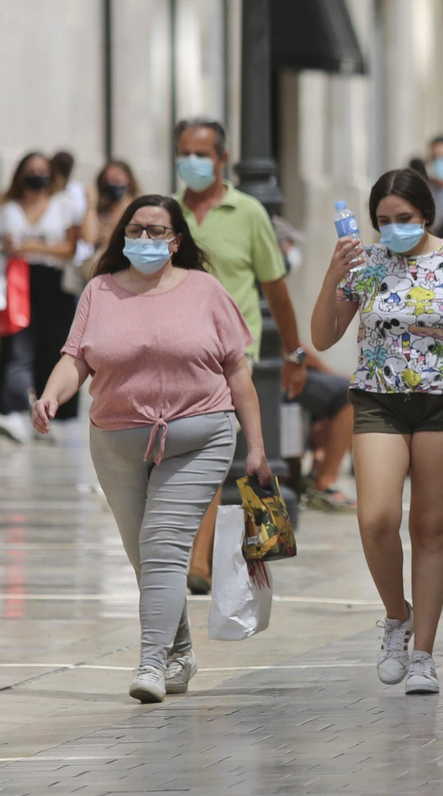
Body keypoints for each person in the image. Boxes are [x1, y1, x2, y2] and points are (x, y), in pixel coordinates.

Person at [31, 194, 271, 703]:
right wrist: (52, 396)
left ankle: (151, 665)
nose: (145, 239)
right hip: (116, 439)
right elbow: (76, 358)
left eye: (157, 231)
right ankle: (180, 650)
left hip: (200, 436)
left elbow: (238, 372)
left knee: (162, 548)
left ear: (176, 240)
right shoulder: (100, 291)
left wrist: (257, 447)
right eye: (136, 230)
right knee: (145, 557)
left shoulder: (205, 290)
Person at [310, 168, 443, 695]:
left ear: (425, 214)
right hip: (378, 401)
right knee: (377, 518)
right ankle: (396, 617)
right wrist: (332, 274)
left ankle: (424, 655)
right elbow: (322, 336)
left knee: (431, 529)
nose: (393, 229)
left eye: (403, 219)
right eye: (383, 221)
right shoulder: (365, 265)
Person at [171, 119, 308, 594]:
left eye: (202, 153)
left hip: (232, 353)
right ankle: (192, 548)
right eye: (185, 151)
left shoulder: (248, 212)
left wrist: (294, 353)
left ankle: (200, 557)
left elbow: (276, 287)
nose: (193, 161)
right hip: (174, 351)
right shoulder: (168, 214)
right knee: (183, 453)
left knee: (211, 447)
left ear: (223, 159)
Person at [0, 152, 85, 441]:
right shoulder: (8, 204)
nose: (36, 174)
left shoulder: (62, 204)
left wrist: (30, 245)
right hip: (16, 279)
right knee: (17, 345)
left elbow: (69, 247)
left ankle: (51, 412)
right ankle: (13, 409)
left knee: (53, 344)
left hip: (52, 280)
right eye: (30, 169)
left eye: (41, 169)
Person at [273, 218, 355, 512]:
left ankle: (317, 472)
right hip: (271, 376)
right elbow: (292, 344)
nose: (292, 251)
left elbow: (297, 343)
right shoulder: (267, 283)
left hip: (280, 371)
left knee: (332, 392)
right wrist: (329, 374)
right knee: (348, 394)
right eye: (287, 245)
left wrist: (323, 372)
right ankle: (326, 482)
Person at [90, 160, 140, 261]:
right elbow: (89, 239)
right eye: (107, 181)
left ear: (129, 181)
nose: (112, 184)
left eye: (116, 180)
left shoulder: (140, 209)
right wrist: (91, 204)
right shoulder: (101, 211)